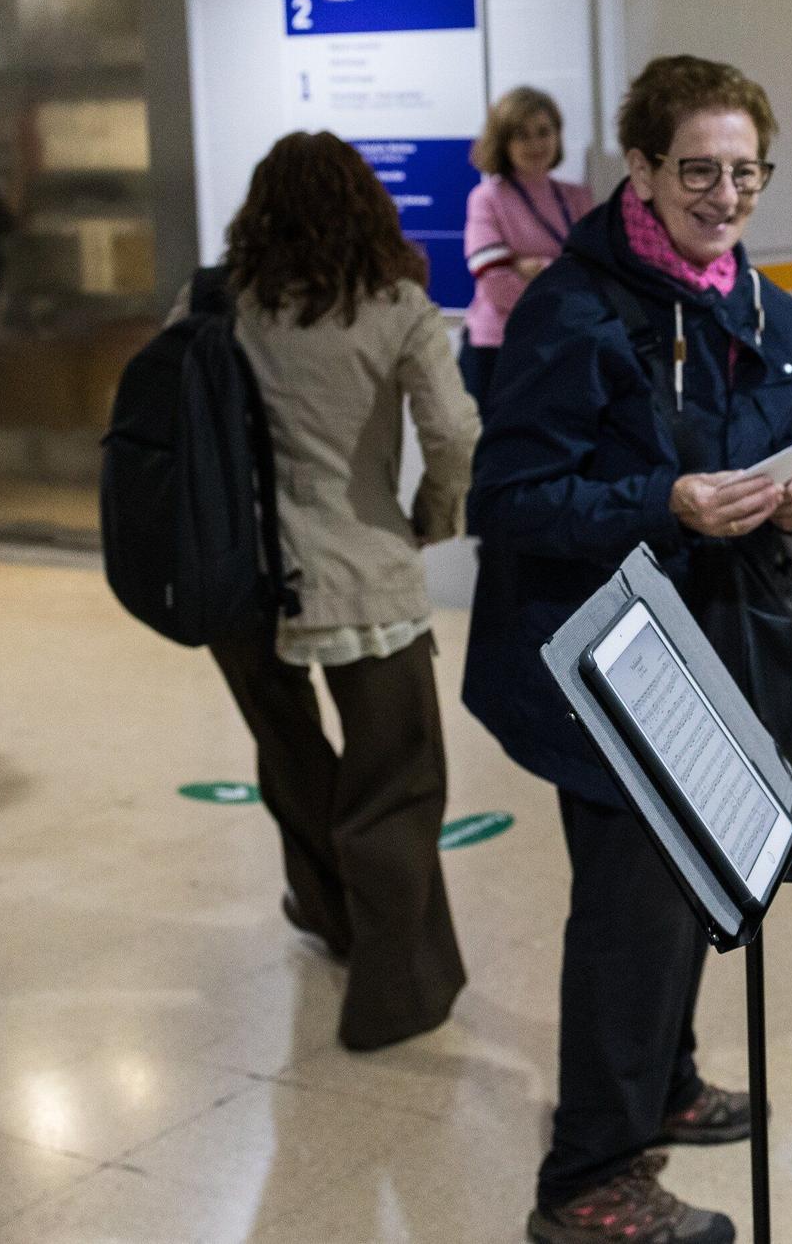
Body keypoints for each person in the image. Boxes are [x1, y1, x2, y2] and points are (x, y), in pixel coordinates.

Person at [464, 55, 792, 1244]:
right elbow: (508, 498)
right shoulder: (572, 310)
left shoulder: (758, 302)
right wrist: (662, 500)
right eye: (697, 171)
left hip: (710, 650)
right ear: (638, 166)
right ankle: (587, 1176)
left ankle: (665, 1082)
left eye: (745, 172)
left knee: (687, 886)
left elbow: (790, 436)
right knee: (629, 916)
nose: (724, 196)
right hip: (605, 662)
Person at [199, 131, 479, 1051]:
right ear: (369, 208)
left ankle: (327, 912)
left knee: (292, 761)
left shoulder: (217, 303)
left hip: (242, 583)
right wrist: (431, 517)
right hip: (365, 577)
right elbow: (454, 432)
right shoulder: (397, 307)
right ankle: (394, 995)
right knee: (396, 783)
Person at [461, 86, 596, 404]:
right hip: (499, 350)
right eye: (522, 135)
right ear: (503, 142)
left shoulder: (578, 197)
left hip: (565, 345)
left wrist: (534, 269)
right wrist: (563, 276)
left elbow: (595, 275)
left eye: (544, 132)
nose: (536, 144)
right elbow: (496, 284)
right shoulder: (486, 199)